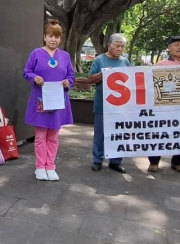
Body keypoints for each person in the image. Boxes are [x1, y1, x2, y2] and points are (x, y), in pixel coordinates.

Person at [23, 19, 76, 181]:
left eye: (57, 36)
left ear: (60, 38)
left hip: (58, 101)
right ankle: (40, 167)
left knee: (53, 136)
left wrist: (68, 82)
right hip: (41, 101)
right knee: (40, 136)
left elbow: (71, 75)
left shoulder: (65, 56)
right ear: (44, 37)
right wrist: (35, 77)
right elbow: (26, 71)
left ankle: (50, 166)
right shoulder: (36, 53)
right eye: (50, 36)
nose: (53, 39)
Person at [148, 35, 180, 174]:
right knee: (159, 133)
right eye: (176, 45)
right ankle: (154, 162)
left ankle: (177, 163)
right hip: (163, 106)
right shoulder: (160, 65)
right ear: (169, 48)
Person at [87, 34, 131, 173]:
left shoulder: (125, 62)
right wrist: (103, 74)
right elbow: (90, 79)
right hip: (102, 105)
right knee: (100, 135)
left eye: (122, 46)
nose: (120, 49)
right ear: (109, 45)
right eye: (117, 46)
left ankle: (115, 161)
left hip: (120, 106)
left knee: (118, 133)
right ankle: (97, 160)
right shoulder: (99, 60)